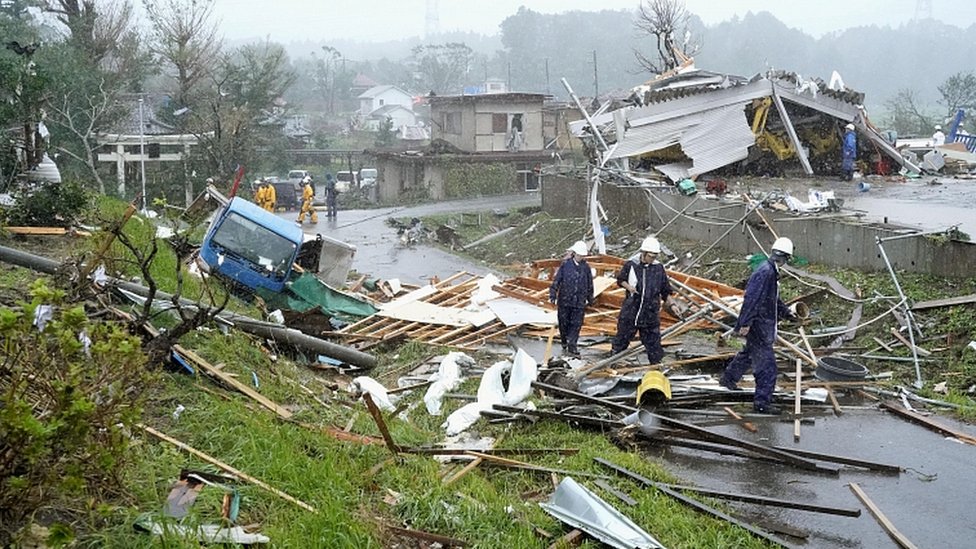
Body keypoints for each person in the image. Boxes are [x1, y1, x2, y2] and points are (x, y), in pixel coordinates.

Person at [719, 237, 798, 415]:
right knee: (767, 367)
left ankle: (728, 379)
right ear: (785, 257)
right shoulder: (766, 272)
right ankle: (762, 403)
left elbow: (772, 298)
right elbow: (751, 298)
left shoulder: (769, 270)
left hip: (760, 324)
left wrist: (786, 312)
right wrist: (745, 323)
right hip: (760, 326)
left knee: (748, 354)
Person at [610, 236, 681, 364]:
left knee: (654, 345)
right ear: (643, 253)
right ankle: (613, 362)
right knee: (621, 339)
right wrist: (629, 287)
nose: (652, 259)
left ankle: (656, 366)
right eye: (650, 256)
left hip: (650, 313)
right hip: (631, 311)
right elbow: (621, 280)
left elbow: (665, 291)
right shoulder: (632, 265)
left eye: (655, 256)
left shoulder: (658, 268)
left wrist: (672, 305)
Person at [548, 240, 594, 358]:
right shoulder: (565, 265)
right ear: (574, 253)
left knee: (576, 324)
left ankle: (572, 345)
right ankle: (564, 341)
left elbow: (589, 284)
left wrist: (590, 298)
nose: (581, 257)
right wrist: (553, 294)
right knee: (563, 323)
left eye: (582, 256)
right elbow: (557, 280)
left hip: (579, 302)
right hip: (565, 300)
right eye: (579, 255)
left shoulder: (586, 267)